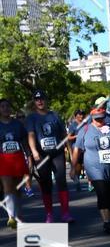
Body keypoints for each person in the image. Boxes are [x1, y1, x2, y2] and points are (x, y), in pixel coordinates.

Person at [70, 105, 110, 234]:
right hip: (94, 167)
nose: (100, 120)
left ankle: (108, 220)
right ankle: (106, 222)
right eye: (97, 118)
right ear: (92, 118)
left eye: (101, 118)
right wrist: (73, 167)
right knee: (102, 193)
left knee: (109, 196)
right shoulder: (85, 130)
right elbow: (77, 150)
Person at [25, 90, 74, 222]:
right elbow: (31, 135)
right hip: (41, 155)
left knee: (61, 181)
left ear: (46, 100)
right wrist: (34, 151)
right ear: (34, 102)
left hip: (57, 153)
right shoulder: (31, 118)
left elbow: (64, 135)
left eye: (42, 99)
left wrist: (70, 152)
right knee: (46, 184)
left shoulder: (54, 115)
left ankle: (65, 213)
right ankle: (49, 214)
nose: (40, 101)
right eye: (37, 99)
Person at [0, 98, 30, 227]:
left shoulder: (18, 124)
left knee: (17, 188)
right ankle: (11, 217)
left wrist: (29, 156)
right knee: (7, 186)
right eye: (2, 106)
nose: (5, 109)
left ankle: (18, 215)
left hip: (17, 158)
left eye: (7, 106)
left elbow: (24, 142)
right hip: (3, 159)